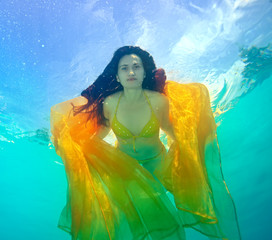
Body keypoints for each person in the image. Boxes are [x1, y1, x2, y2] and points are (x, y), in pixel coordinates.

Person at [50, 46, 241, 240]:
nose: (131, 72)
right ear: (116, 76)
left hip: (158, 166)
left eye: (136, 67)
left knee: (159, 218)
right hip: (126, 171)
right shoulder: (109, 104)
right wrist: (70, 142)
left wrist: (199, 133)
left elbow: (173, 132)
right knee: (128, 219)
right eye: (124, 68)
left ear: (144, 73)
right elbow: (98, 136)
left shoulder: (159, 101)